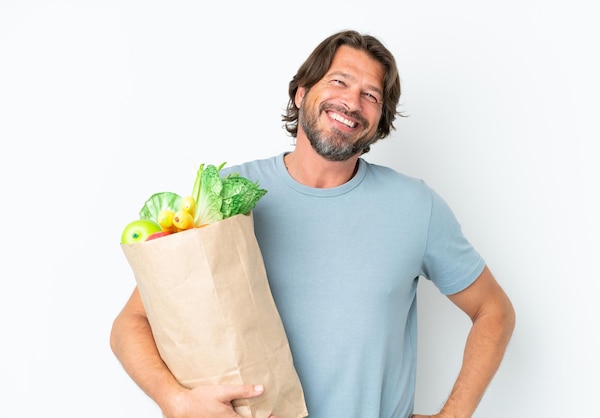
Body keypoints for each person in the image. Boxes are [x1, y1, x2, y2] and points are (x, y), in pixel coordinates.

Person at [110, 29, 515, 418]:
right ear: (302, 91)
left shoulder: (416, 206)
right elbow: (133, 322)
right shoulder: (230, 195)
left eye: (370, 95)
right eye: (339, 81)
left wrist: (456, 413)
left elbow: (493, 310)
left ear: (380, 119)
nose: (352, 101)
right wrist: (175, 402)